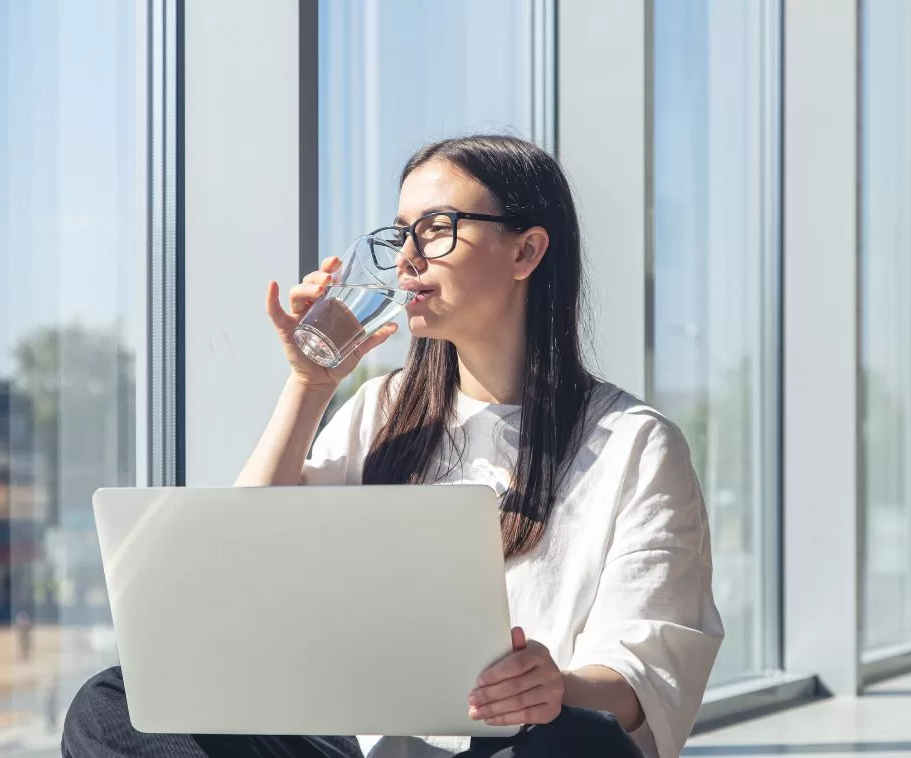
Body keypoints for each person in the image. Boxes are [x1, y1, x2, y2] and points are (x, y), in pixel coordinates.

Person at [62, 135, 723, 758]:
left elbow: (649, 669)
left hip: (519, 745)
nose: (406, 259)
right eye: (400, 233)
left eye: (437, 229)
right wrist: (310, 384)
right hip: (373, 749)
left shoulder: (635, 447)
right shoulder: (382, 412)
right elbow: (241, 559)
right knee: (113, 703)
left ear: (526, 252)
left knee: (570, 742)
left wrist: (554, 688)